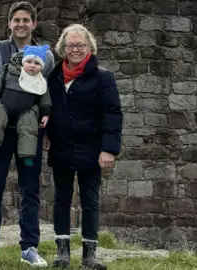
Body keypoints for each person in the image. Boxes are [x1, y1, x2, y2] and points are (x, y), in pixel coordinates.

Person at [0, 2, 55, 267]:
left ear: (34, 24)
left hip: (31, 132)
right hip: (0, 131)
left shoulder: (46, 57)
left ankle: (29, 247)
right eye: (16, 20)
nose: (21, 24)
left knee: (30, 190)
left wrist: (49, 129)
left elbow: (48, 94)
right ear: (9, 23)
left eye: (26, 20)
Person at [45, 24, 123, 270]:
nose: (75, 49)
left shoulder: (103, 77)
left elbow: (112, 114)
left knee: (90, 201)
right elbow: (46, 108)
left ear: (89, 47)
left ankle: (89, 255)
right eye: (70, 45)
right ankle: (62, 252)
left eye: (81, 45)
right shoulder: (54, 77)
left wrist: (109, 149)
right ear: (62, 48)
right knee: (61, 200)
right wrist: (46, 134)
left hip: (92, 149)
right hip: (62, 147)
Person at [0, 45, 52, 168]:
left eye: (37, 63)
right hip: (5, 104)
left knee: (29, 129)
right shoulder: (9, 72)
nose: (32, 65)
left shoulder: (41, 82)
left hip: (27, 109)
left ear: (41, 67)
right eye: (29, 61)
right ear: (23, 61)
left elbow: (45, 99)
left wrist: (46, 113)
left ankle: (27, 155)